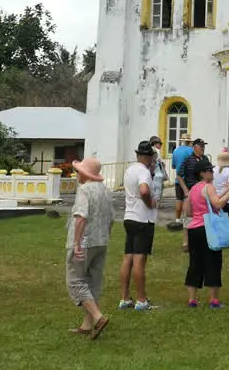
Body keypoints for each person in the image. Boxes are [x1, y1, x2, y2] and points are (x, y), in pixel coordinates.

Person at [67, 157, 112, 339]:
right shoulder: (105, 190)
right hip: (100, 241)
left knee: (76, 280)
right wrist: (106, 236)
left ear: (85, 174)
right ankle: (87, 325)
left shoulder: (84, 190)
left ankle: (97, 317)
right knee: (92, 281)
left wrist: (77, 243)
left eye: (79, 171)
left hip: (85, 242)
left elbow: (81, 217)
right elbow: (111, 219)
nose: (77, 174)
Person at [185, 157, 229, 308]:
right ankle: (213, 299)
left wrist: (223, 193)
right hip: (208, 228)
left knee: (195, 263)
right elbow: (217, 204)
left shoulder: (193, 189)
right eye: (210, 170)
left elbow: (189, 212)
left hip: (194, 228)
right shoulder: (208, 187)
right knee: (213, 262)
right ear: (202, 173)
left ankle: (192, 299)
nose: (212, 172)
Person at [119, 141, 158, 311]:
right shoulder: (144, 171)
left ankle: (125, 297)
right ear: (149, 157)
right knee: (139, 260)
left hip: (129, 216)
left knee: (128, 257)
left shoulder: (129, 170)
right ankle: (141, 300)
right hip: (143, 218)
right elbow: (143, 190)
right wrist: (150, 203)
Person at [176, 139, 207, 249]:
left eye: (204, 146)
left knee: (204, 216)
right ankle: (186, 242)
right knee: (188, 217)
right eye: (201, 146)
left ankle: (203, 241)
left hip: (204, 192)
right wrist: (185, 190)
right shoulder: (188, 160)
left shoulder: (206, 159)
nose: (203, 148)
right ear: (194, 147)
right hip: (191, 191)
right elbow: (179, 175)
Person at [168, 136, 194, 230]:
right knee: (186, 199)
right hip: (187, 179)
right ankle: (185, 218)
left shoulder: (176, 151)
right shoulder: (190, 150)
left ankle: (177, 219)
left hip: (178, 179)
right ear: (189, 142)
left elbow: (173, 166)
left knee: (179, 199)